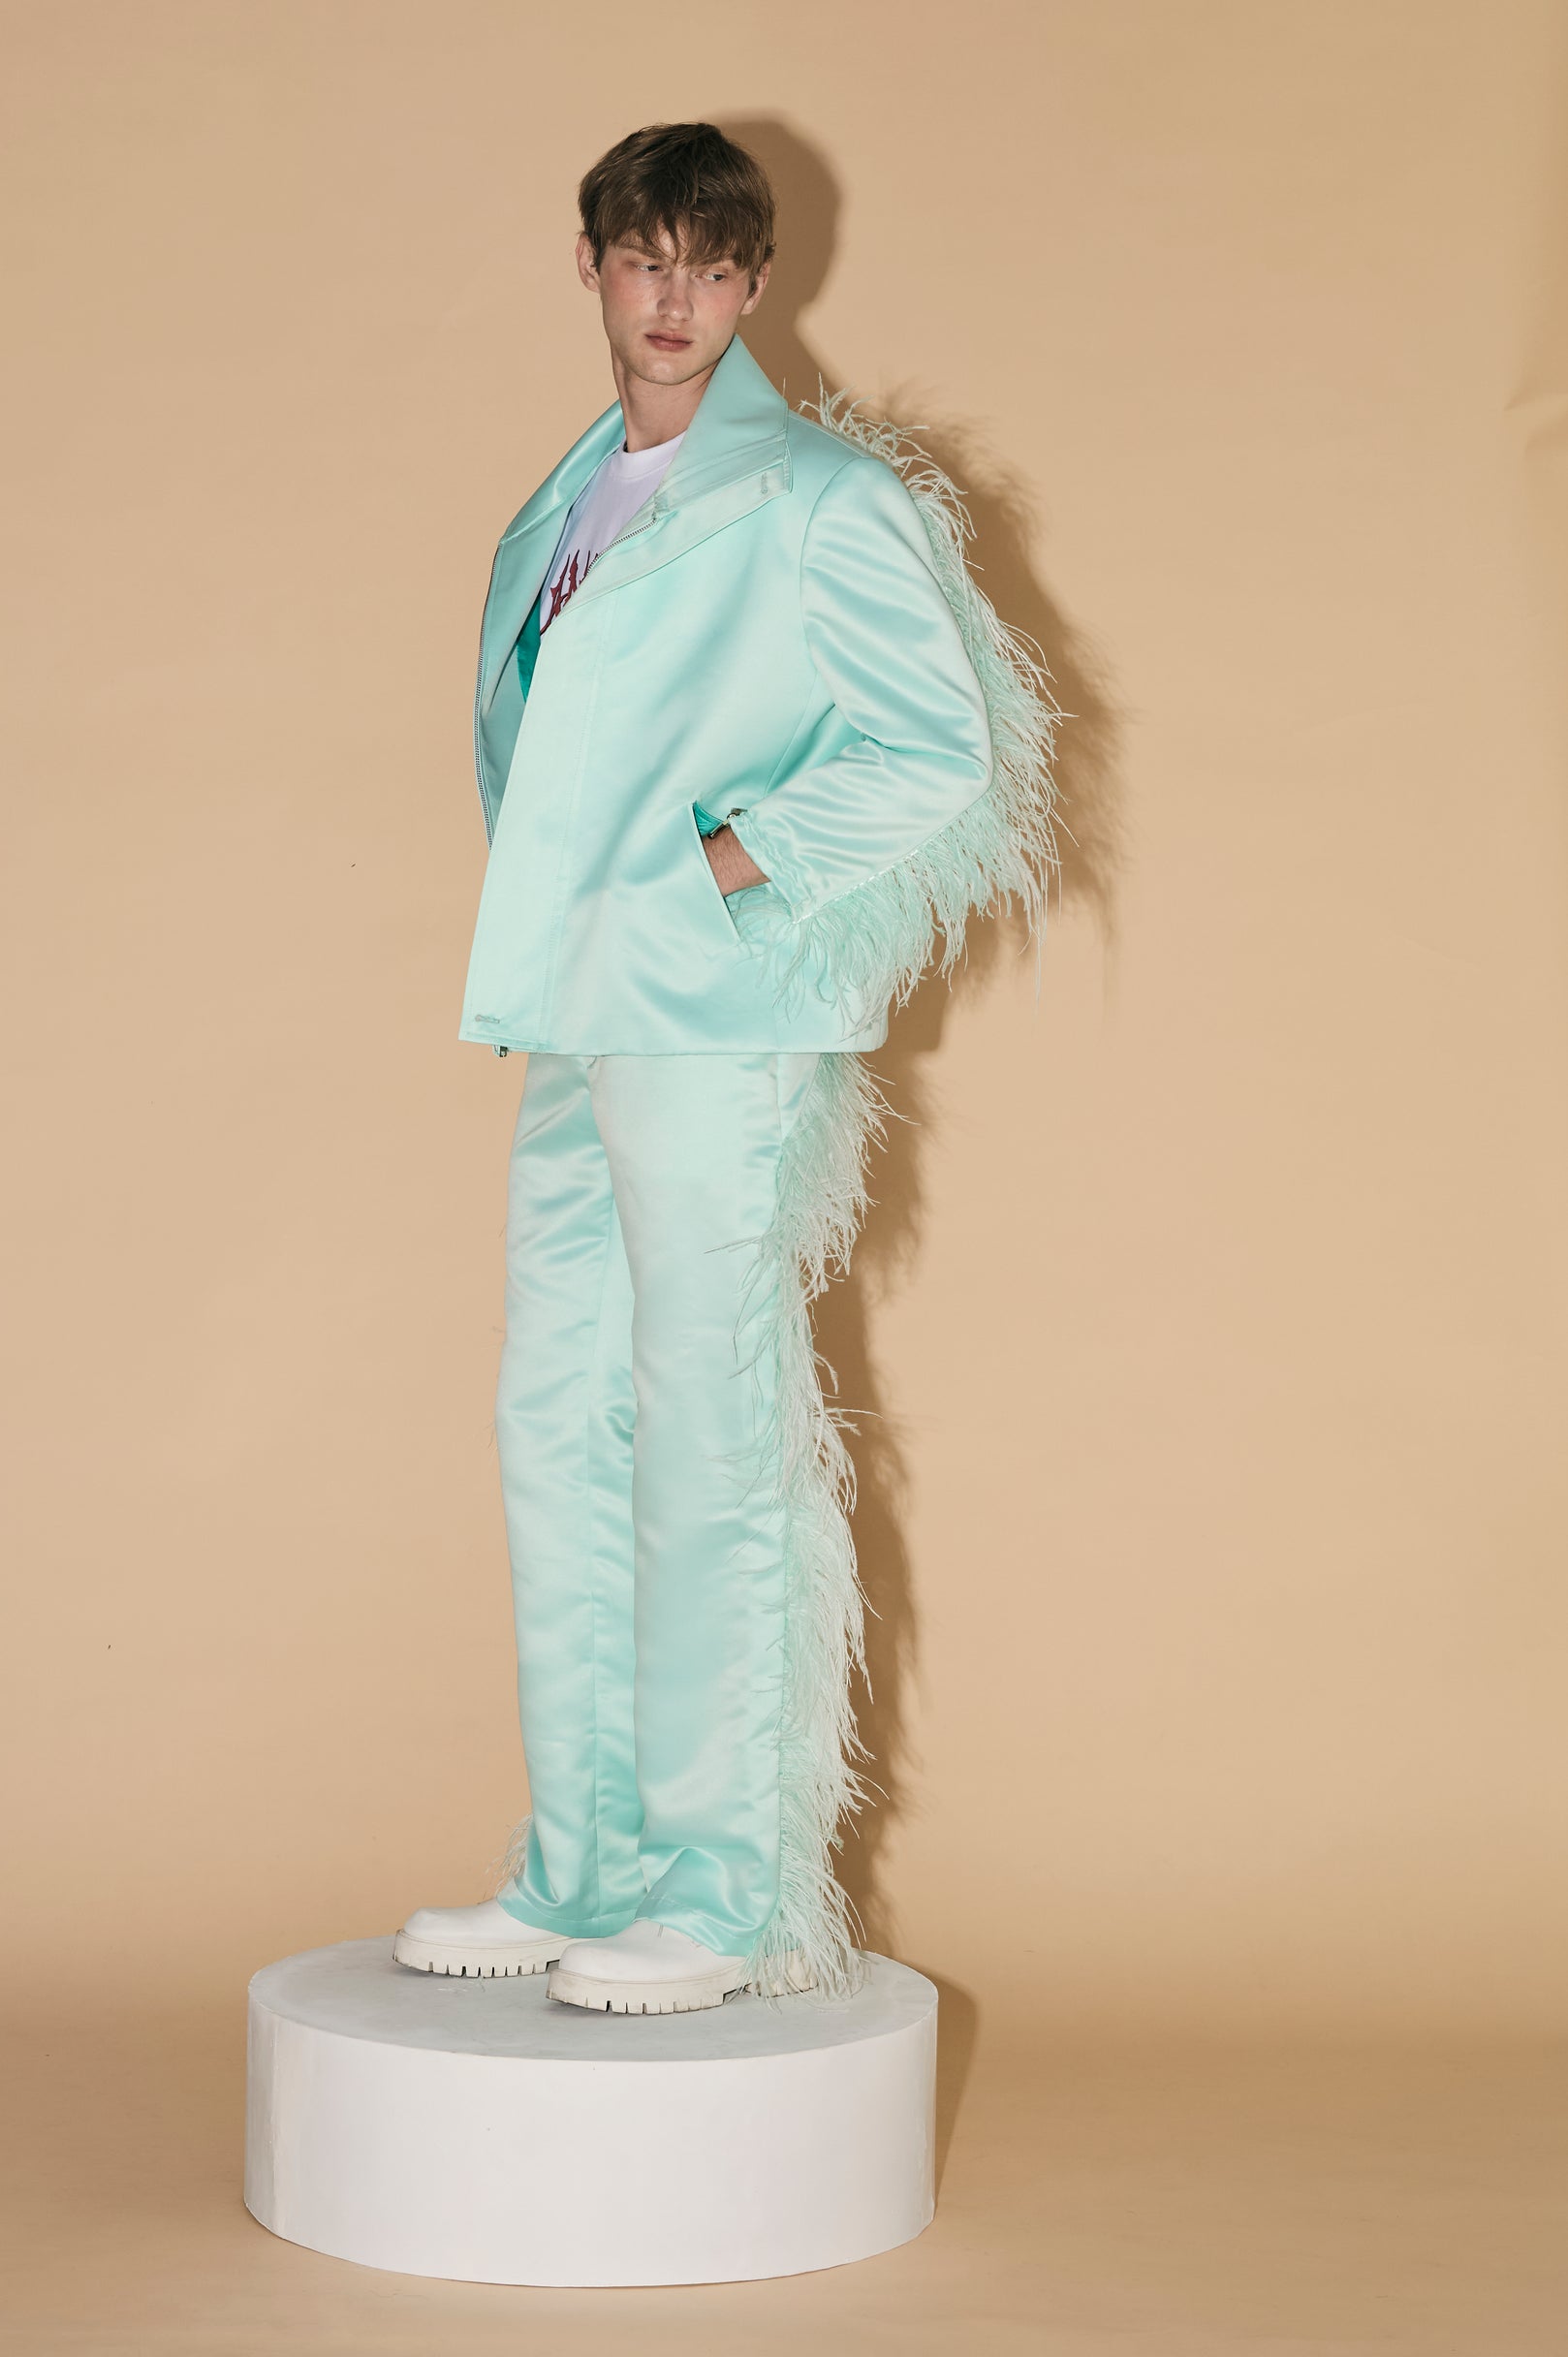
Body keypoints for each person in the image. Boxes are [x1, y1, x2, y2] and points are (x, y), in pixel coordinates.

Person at [394, 122, 1055, 2015]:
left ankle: (722, 1885)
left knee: (706, 1434)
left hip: (715, 1023)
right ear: (592, 269)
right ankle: (587, 1859)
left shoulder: (815, 496)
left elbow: (935, 748)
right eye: (641, 259)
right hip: (576, 1016)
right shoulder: (565, 501)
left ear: (754, 284)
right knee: (557, 1419)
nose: (670, 298)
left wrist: (725, 865)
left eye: (706, 265)